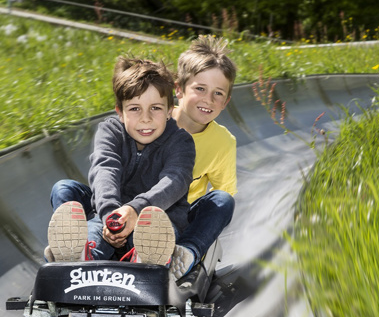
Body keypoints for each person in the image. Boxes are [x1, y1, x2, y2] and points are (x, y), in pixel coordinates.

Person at [46, 56, 195, 269]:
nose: (146, 118)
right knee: (64, 189)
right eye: (135, 109)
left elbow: (175, 180)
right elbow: (105, 168)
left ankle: (147, 260)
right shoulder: (110, 131)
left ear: (170, 111)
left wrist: (136, 210)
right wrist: (111, 217)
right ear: (120, 113)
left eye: (156, 108)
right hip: (112, 214)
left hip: (158, 220)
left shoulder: (181, 141)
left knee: (153, 231)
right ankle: (79, 254)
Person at [168, 35, 238, 277]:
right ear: (178, 89)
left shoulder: (223, 142)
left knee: (222, 201)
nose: (209, 99)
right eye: (200, 89)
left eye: (218, 93)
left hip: (181, 218)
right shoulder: (152, 121)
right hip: (140, 208)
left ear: (226, 102)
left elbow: (224, 194)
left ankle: (186, 252)